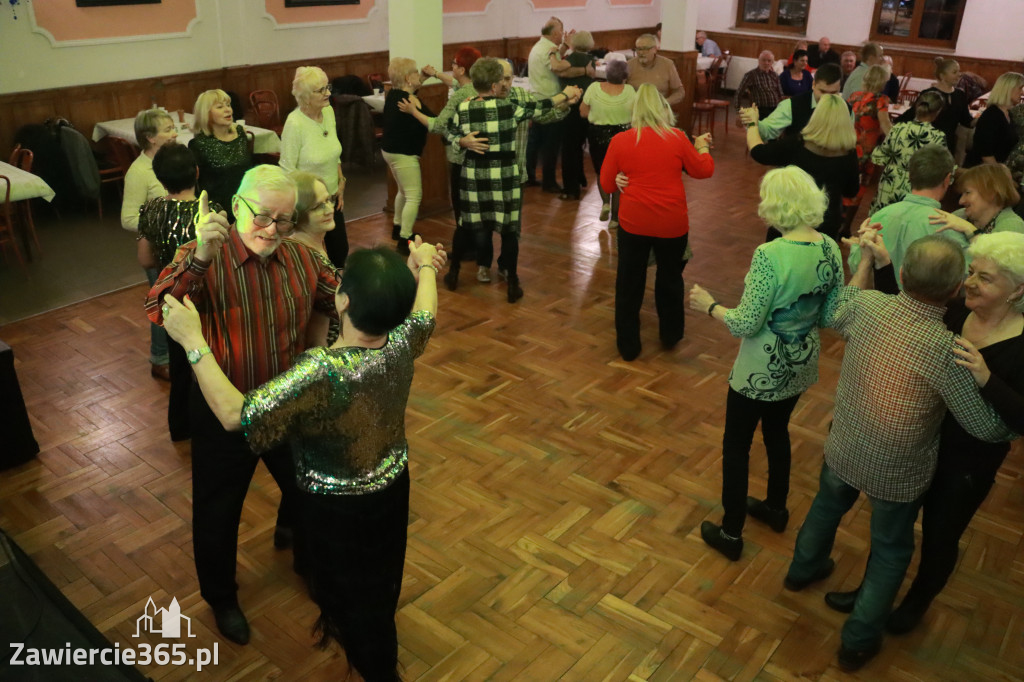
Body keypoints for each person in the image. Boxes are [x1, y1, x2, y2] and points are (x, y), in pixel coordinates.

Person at [160, 238, 444, 682]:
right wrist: (424, 265)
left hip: (338, 510)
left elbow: (236, 415)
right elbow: (426, 309)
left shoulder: (321, 372)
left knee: (354, 599)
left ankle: (376, 666)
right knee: (379, 579)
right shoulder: (405, 340)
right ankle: (372, 643)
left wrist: (194, 343)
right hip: (392, 488)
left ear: (343, 300)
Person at [784, 234, 1014, 672]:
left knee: (825, 508)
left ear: (904, 275)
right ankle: (858, 641)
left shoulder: (866, 308)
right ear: (953, 291)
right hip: (899, 473)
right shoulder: (946, 350)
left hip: (845, 446)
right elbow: (985, 426)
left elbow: (836, 307)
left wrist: (867, 264)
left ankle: (801, 569)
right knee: (890, 551)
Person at [145, 165, 339, 646]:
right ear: (236, 208)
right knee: (218, 513)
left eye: (285, 219)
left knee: (308, 492)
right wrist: (201, 258)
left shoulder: (302, 258)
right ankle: (222, 598)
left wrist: (322, 341)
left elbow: (343, 299)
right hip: (222, 414)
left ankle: (307, 562)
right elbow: (157, 307)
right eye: (262, 216)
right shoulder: (201, 256)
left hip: (285, 405)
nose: (272, 230)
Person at [688, 167, 842, 561]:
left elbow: (745, 323)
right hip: (800, 366)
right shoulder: (829, 247)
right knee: (777, 433)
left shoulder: (770, 254)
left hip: (759, 372)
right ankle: (776, 507)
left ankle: (732, 532)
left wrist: (709, 305)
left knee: (736, 446)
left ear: (776, 205)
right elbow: (828, 316)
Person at [440, 58, 582, 301]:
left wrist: (459, 141)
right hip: (506, 174)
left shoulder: (464, 107)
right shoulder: (510, 108)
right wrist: (564, 95)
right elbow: (541, 108)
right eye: (501, 80)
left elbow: (449, 130)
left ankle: (453, 275)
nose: (505, 84)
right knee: (509, 229)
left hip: (474, 174)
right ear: (494, 85)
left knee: (466, 224)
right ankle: (512, 283)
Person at [600, 84, 714, 361]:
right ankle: (670, 334)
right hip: (671, 224)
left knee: (629, 283)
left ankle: (628, 345)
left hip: (634, 223)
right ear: (663, 108)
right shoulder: (676, 138)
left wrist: (617, 178)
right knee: (670, 279)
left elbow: (605, 183)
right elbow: (703, 170)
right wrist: (703, 147)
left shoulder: (621, 140)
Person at [137, 142, 222, 442]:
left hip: (172, 298)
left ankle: (180, 425)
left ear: (160, 179)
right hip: (208, 298)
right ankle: (213, 421)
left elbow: (145, 259)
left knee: (179, 364)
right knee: (209, 360)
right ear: (197, 172)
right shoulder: (212, 212)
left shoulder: (152, 210)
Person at [745, 93, 860, 240]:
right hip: (827, 224)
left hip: (791, 218)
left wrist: (752, 124)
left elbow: (758, 152)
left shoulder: (798, 143)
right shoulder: (849, 152)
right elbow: (851, 191)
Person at [123, 107, 177, 381]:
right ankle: (160, 358)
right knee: (163, 305)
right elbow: (128, 218)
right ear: (150, 138)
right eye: (168, 130)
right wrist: (161, 222)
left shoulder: (171, 161)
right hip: (157, 250)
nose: (174, 133)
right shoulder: (139, 171)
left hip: (181, 246)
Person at [849, 144, 956, 282]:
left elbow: (856, 267)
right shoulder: (949, 228)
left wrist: (855, 248)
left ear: (910, 175)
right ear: (947, 179)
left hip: (875, 300)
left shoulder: (880, 217)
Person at [280, 65, 349, 268]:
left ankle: (336, 295)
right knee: (312, 259)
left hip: (333, 200)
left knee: (339, 252)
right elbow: (287, 170)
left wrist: (341, 181)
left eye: (328, 87)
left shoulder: (328, 112)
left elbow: (334, 152)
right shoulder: (294, 124)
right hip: (309, 206)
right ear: (306, 96)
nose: (328, 93)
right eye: (321, 90)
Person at [381, 57, 437, 255]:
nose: (417, 74)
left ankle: (397, 227)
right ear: (407, 77)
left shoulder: (394, 94)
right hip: (404, 154)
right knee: (414, 196)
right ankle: (405, 238)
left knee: (403, 191)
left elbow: (414, 88)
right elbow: (433, 121)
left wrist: (422, 77)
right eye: (415, 72)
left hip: (389, 150)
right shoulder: (410, 100)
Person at [869, 92, 947, 214]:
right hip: (917, 186)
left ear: (916, 106)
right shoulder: (937, 137)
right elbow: (941, 167)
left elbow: (878, 157)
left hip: (890, 181)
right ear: (938, 112)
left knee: (882, 221)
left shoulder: (898, 128)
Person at [581, 59, 635, 229]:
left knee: (601, 171)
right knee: (620, 174)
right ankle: (615, 218)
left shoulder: (594, 88)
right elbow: (635, 115)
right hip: (622, 136)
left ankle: (605, 203)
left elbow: (583, 112)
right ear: (625, 76)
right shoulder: (630, 91)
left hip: (598, 135)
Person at [188, 89, 253, 224]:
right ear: (206, 113)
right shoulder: (198, 144)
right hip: (218, 212)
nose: (228, 110)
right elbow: (196, 187)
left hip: (246, 204)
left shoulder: (241, 134)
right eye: (220, 107)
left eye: (228, 105)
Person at [526, 16, 571, 192]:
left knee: (535, 142)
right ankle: (549, 182)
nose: (563, 34)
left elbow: (555, 55)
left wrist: (565, 46)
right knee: (550, 145)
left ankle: (529, 176)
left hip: (536, 99)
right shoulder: (548, 49)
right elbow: (558, 67)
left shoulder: (540, 46)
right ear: (554, 33)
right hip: (550, 101)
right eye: (561, 31)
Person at [552, 29, 597, 201]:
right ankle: (580, 179)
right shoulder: (590, 60)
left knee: (569, 149)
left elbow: (557, 70)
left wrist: (552, 53)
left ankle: (570, 189)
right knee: (578, 146)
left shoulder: (571, 59)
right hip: (586, 107)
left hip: (571, 107)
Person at [745, 63, 843, 141]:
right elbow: (768, 130)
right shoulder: (791, 105)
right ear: (813, 84)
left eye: (833, 93)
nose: (826, 98)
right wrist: (754, 122)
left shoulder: (846, 109)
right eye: (822, 91)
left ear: (839, 89)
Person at [897, 58, 973, 157]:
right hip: (927, 144)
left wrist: (980, 120)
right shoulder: (929, 94)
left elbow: (966, 120)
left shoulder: (960, 95)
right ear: (942, 76)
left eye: (959, 71)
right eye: (955, 72)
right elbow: (912, 114)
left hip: (947, 145)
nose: (959, 74)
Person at [929, 163, 1024, 242]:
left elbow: (996, 261)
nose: (961, 201)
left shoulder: (1012, 225)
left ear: (991, 193)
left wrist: (970, 230)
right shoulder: (961, 215)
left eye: (967, 193)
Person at [965, 72, 1024, 167]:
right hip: (982, 172)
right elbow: (986, 154)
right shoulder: (991, 115)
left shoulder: (1008, 113)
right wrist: (1002, 175)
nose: (1022, 92)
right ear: (1008, 89)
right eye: (1020, 88)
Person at [848, 65, 893, 168]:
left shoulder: (854, 96)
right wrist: (899, 139)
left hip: (850, 143)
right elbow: (885, 125)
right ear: (882, 82)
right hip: (868, 146)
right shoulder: (881, 100)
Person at [627, 33, 684, 105]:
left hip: (659, 109)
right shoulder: (629, 65)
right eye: (638, 49)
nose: (641, 52)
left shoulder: (667, 64)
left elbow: (679, 91)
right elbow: (620, 89)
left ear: (655, 49)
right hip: (635, 110)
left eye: (645, 49)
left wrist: (665, 102)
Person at [734, 51, 783, 121]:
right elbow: (738, 93)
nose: (766, 63)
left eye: (769, 61)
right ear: (759, 61)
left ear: (772, 63)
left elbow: (780, 94)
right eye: (763, 60)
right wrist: (738, 111)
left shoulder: (774, 75)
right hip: (760, 110)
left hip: (775, 109)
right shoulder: (751, 75)